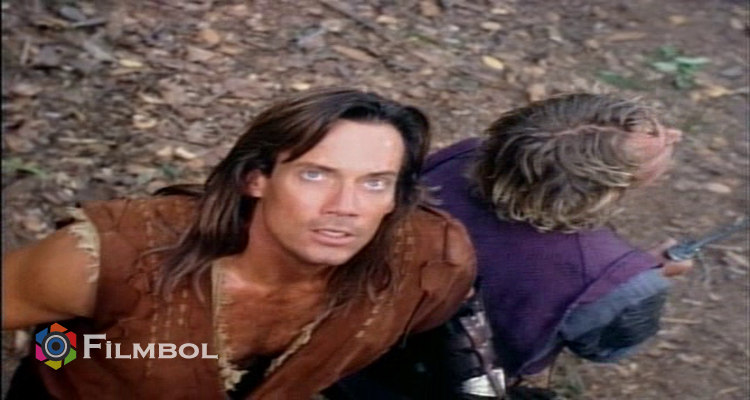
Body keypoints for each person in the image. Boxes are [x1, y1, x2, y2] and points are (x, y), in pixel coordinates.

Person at [1, 88, 476, 399]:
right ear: (256, 178)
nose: (345, 206)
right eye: (315, 175)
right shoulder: (108, 256)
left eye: (374, 183)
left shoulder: (431, 264)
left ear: (396, 197)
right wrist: (69, 363)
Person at [420, 93, 693, 386]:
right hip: (446, 379)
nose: (674, 136)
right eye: (655, 150)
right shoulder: (615, 282)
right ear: (603, 189)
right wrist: (644, 275)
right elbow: (604, 349)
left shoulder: (460, 157)